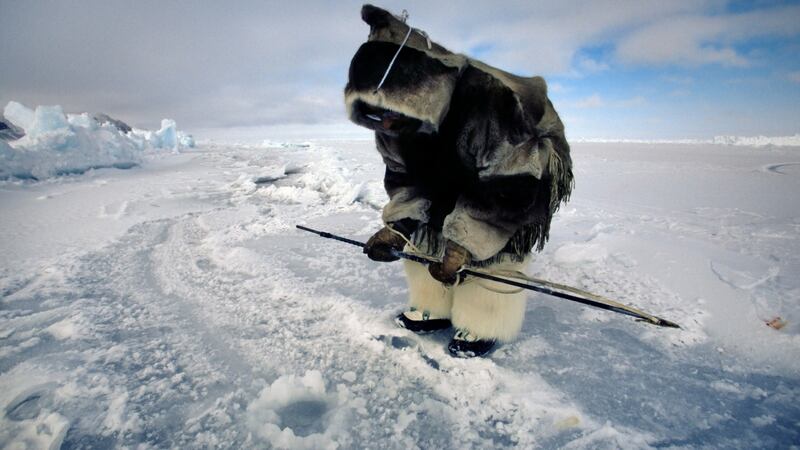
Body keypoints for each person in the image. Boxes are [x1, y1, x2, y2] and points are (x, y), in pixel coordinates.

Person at [344, 5, 573, 357]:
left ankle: (485, 320)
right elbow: (403, 177)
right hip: (457, 166)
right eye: (373, 116)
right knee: (431, 226)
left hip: (520, 166)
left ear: (416, 93)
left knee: (495, 239)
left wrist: (465, 243)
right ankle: (432, 304)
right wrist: (400, 227)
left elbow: (509, 186)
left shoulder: (491, 99)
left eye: (388, 113)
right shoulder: (391, 125)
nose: (384, 125)